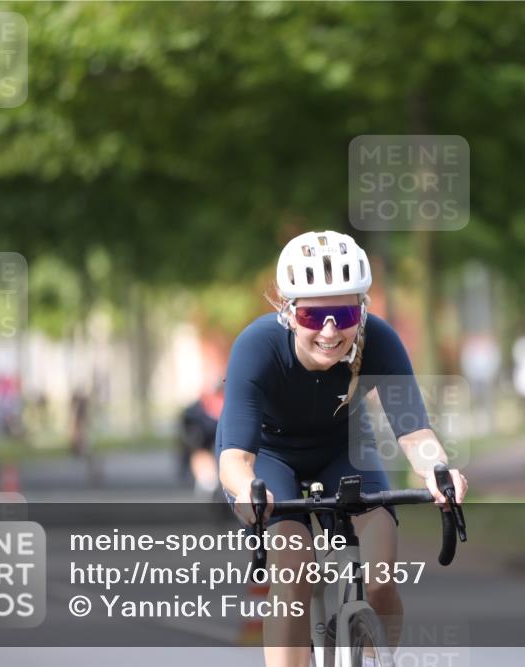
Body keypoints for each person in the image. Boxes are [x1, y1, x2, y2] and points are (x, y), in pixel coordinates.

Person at [216, 230, 468, 667]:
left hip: (343, 450)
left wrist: (438, 473)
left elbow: (415, 436)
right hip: (271, 458)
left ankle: (373, 658)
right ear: (289, 313)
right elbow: (234, 459)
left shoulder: (381, 341)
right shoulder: (256, 348)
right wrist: (250, 493)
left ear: (362, 309)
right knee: (292, 569)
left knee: (381, 570)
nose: (331, 331)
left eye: (345, 312)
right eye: (314, 317)